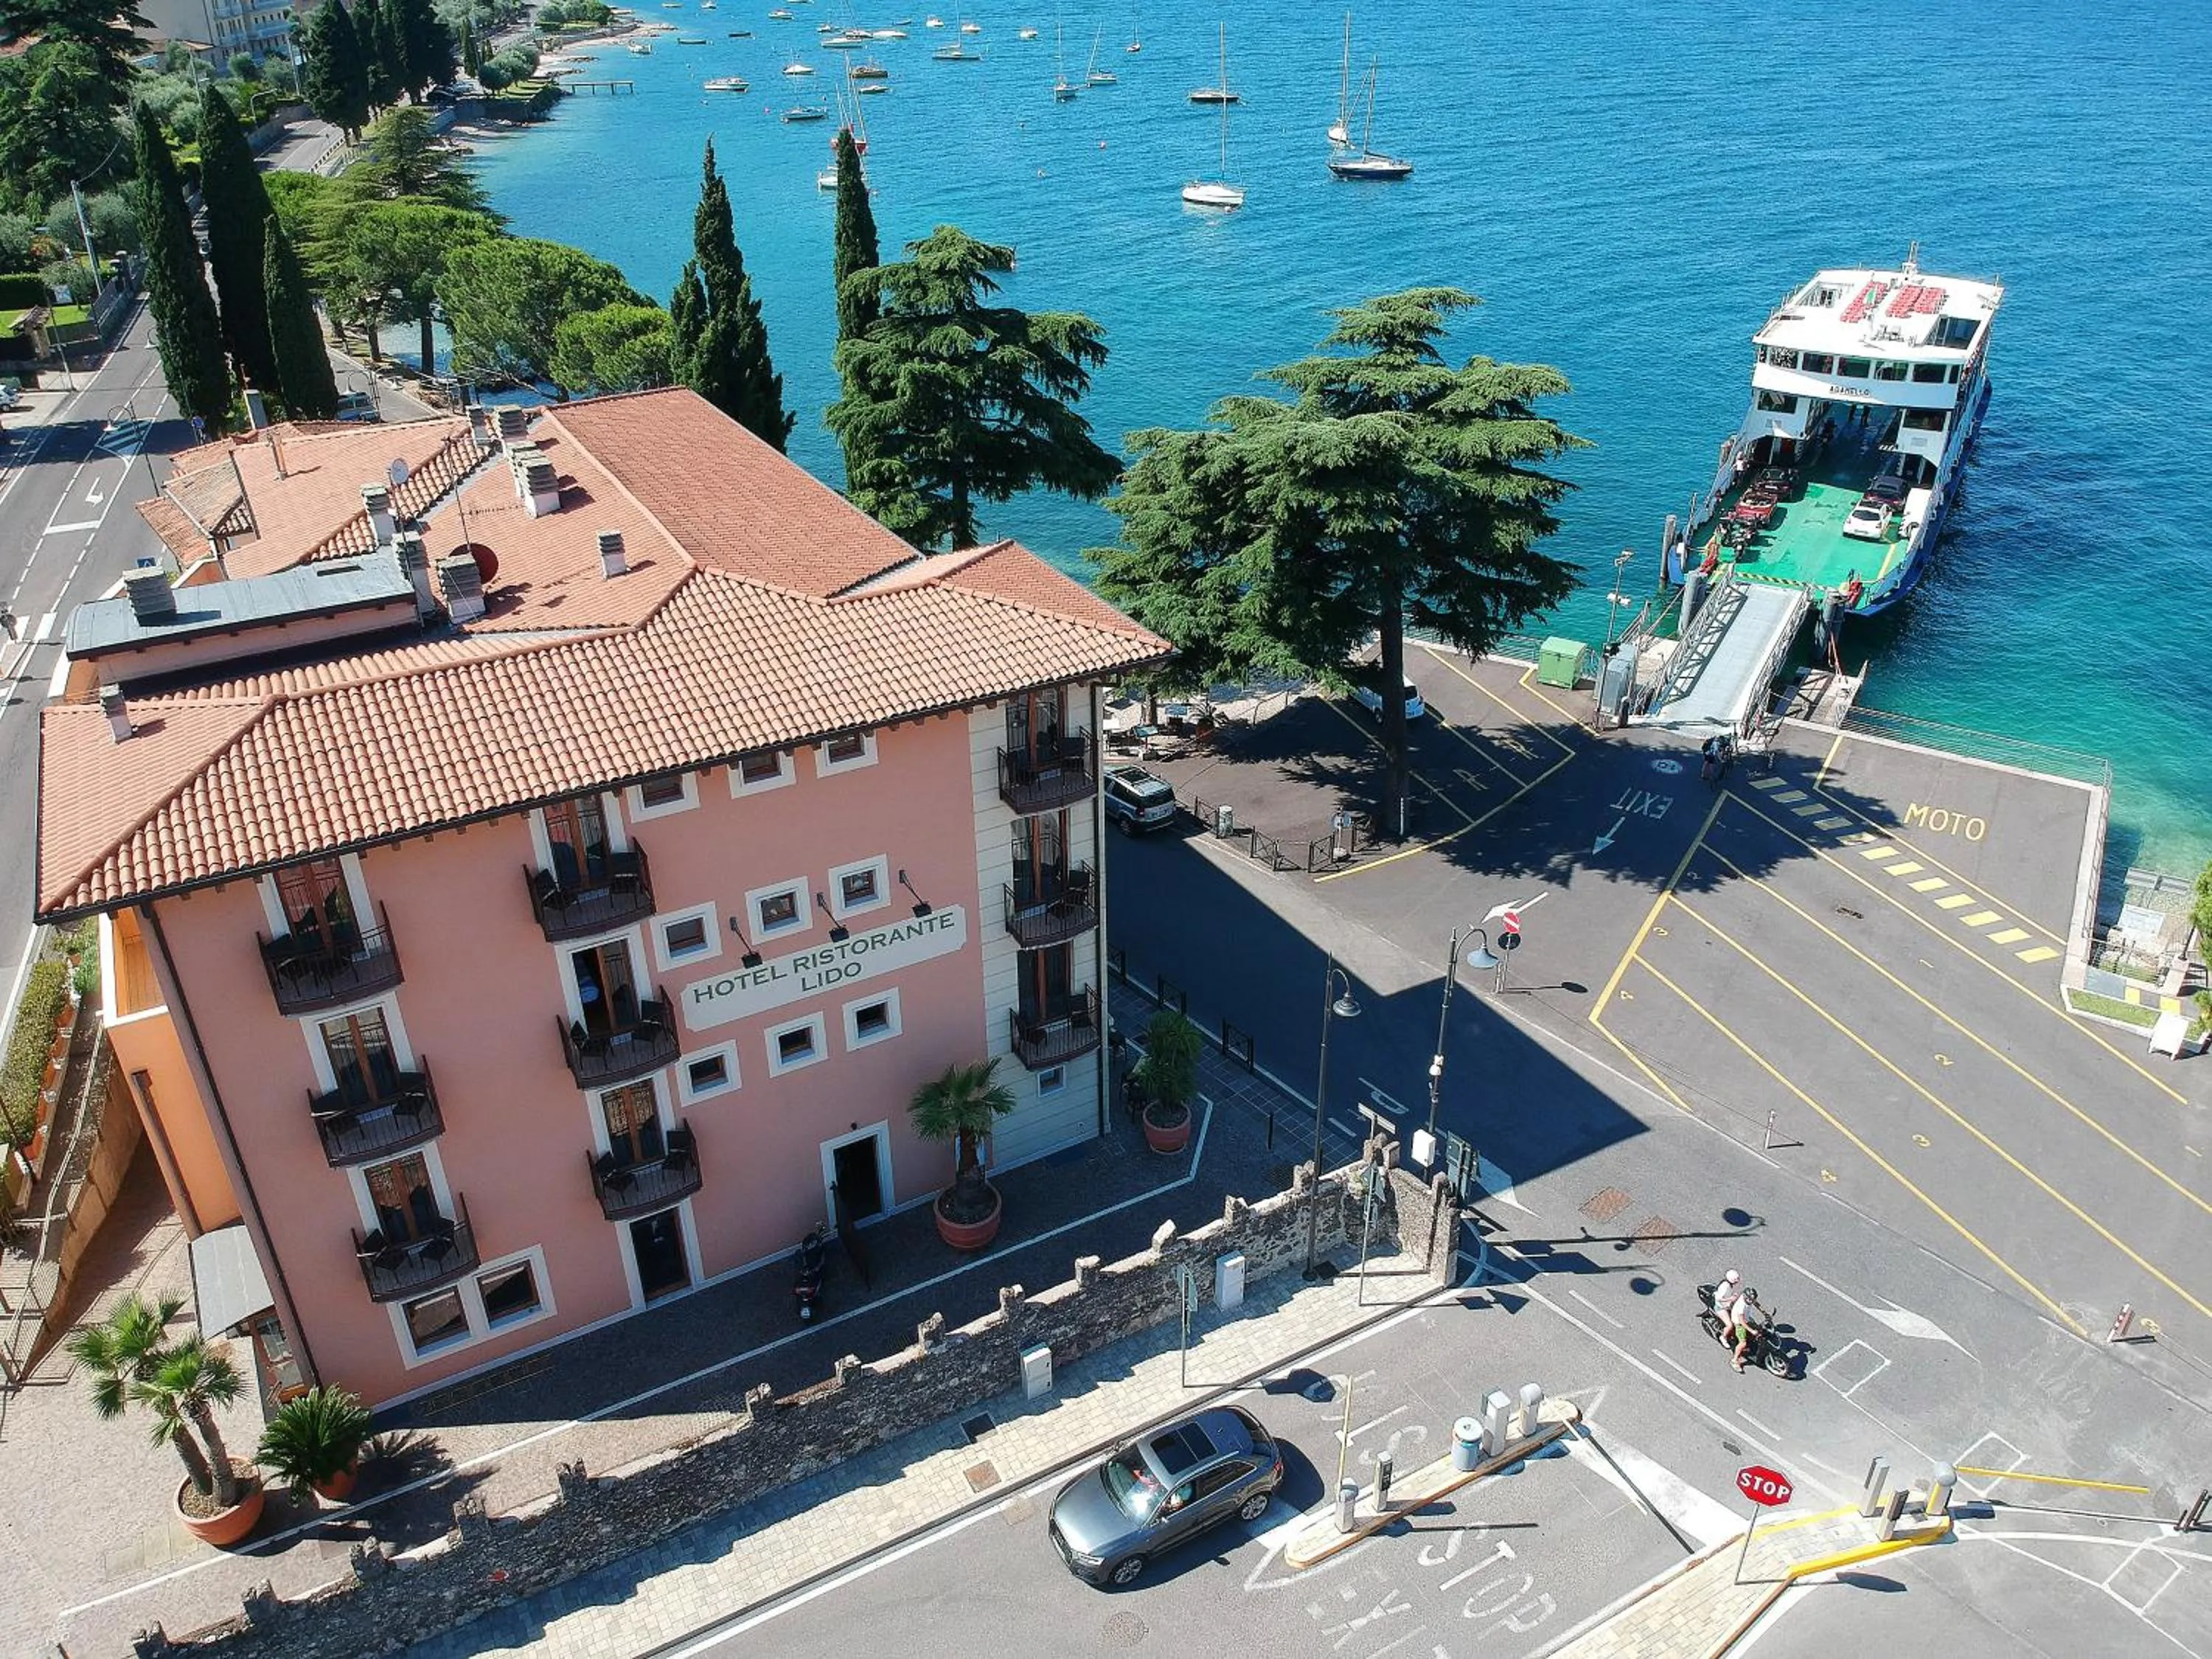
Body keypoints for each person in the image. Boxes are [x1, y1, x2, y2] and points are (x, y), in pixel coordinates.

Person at [1713, 1269, 1754, 1371]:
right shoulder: (1725, 1286)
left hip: (1728, 1306)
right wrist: (1730, 1299)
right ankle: (1724, 1338)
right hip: (1721, 1307)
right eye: (1737, 1279)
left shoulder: (1745, 1298)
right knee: (1730, 1326)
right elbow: (1718, 1298)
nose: (1738, 1280)